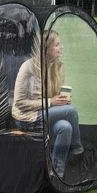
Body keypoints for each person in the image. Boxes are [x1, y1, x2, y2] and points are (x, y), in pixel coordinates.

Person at [12, 30, 84, 178]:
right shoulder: (28, 67)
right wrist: (51, 101)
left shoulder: (58, 67)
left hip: (46, 115)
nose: (61, 47)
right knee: (71, 111)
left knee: (65, 127)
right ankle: (77, 149)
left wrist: (61, 100)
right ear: (46, 48)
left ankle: (56, 172)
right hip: (27, 118)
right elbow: (19, 103)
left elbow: (53, 100)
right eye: (57, 44)